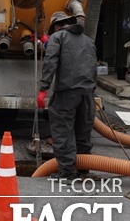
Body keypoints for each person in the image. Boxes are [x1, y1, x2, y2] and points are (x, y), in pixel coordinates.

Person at [37, 11, 97, 181]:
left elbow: (51, 62)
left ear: (56, 26)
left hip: (66, 93)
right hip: (87, 94)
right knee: (82, 132)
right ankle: (83, 168)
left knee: (63, 132)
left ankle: (67, 172)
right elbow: (93, 67)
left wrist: (43, 88)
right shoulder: (88, 40)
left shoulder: (58, 37)